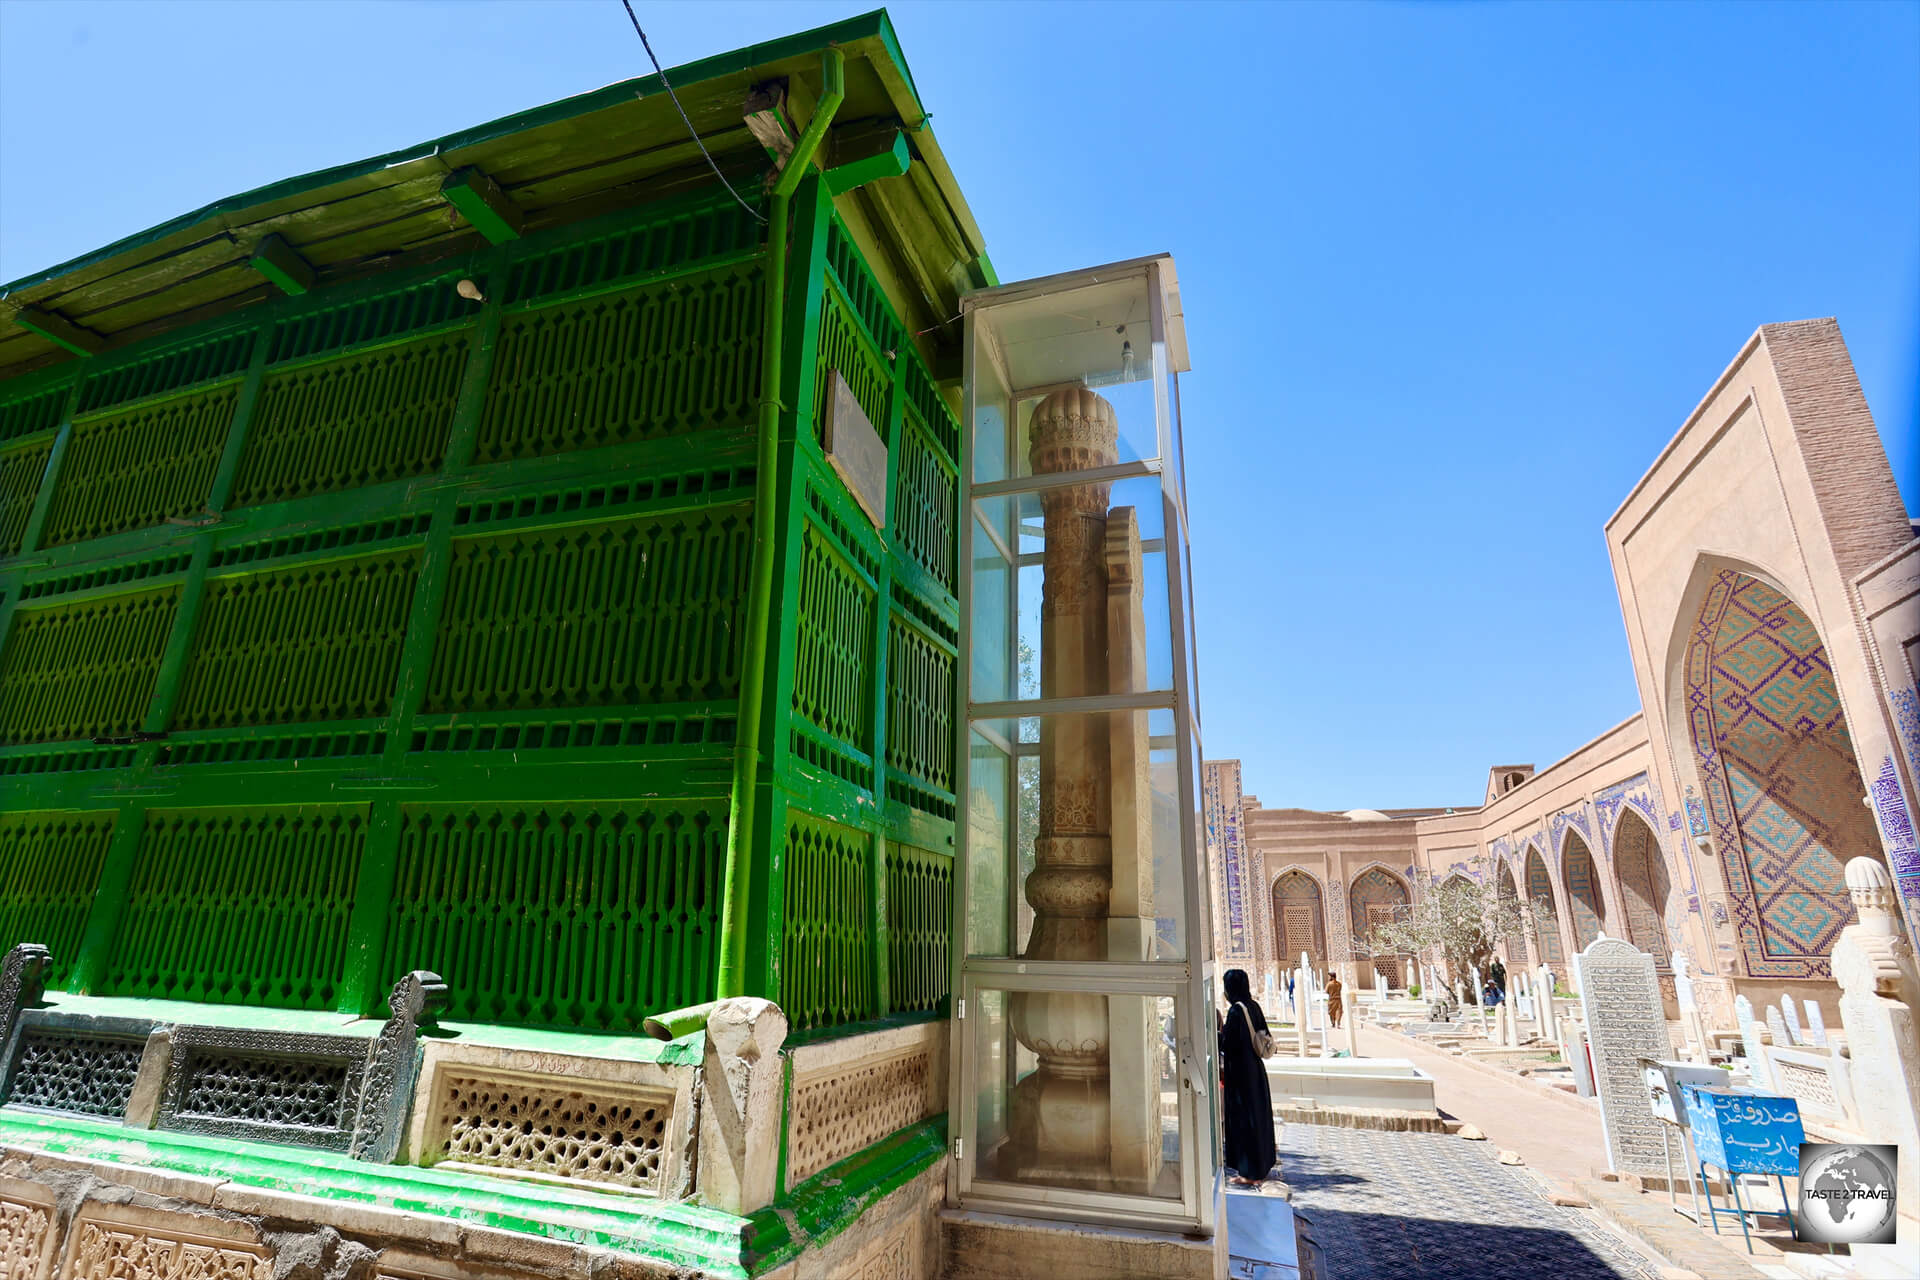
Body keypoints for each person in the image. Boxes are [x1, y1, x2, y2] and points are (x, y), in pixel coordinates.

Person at [1218, 968, 1276, 1187]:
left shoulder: (1235, 1011)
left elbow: (1228, 1044)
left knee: (1245, 1121)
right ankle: (1262, 1164)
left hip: (1241, 1075)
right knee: (1258, 1118)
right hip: (1256, 1072)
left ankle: (1249, 1173)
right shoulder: (1254, 1006)